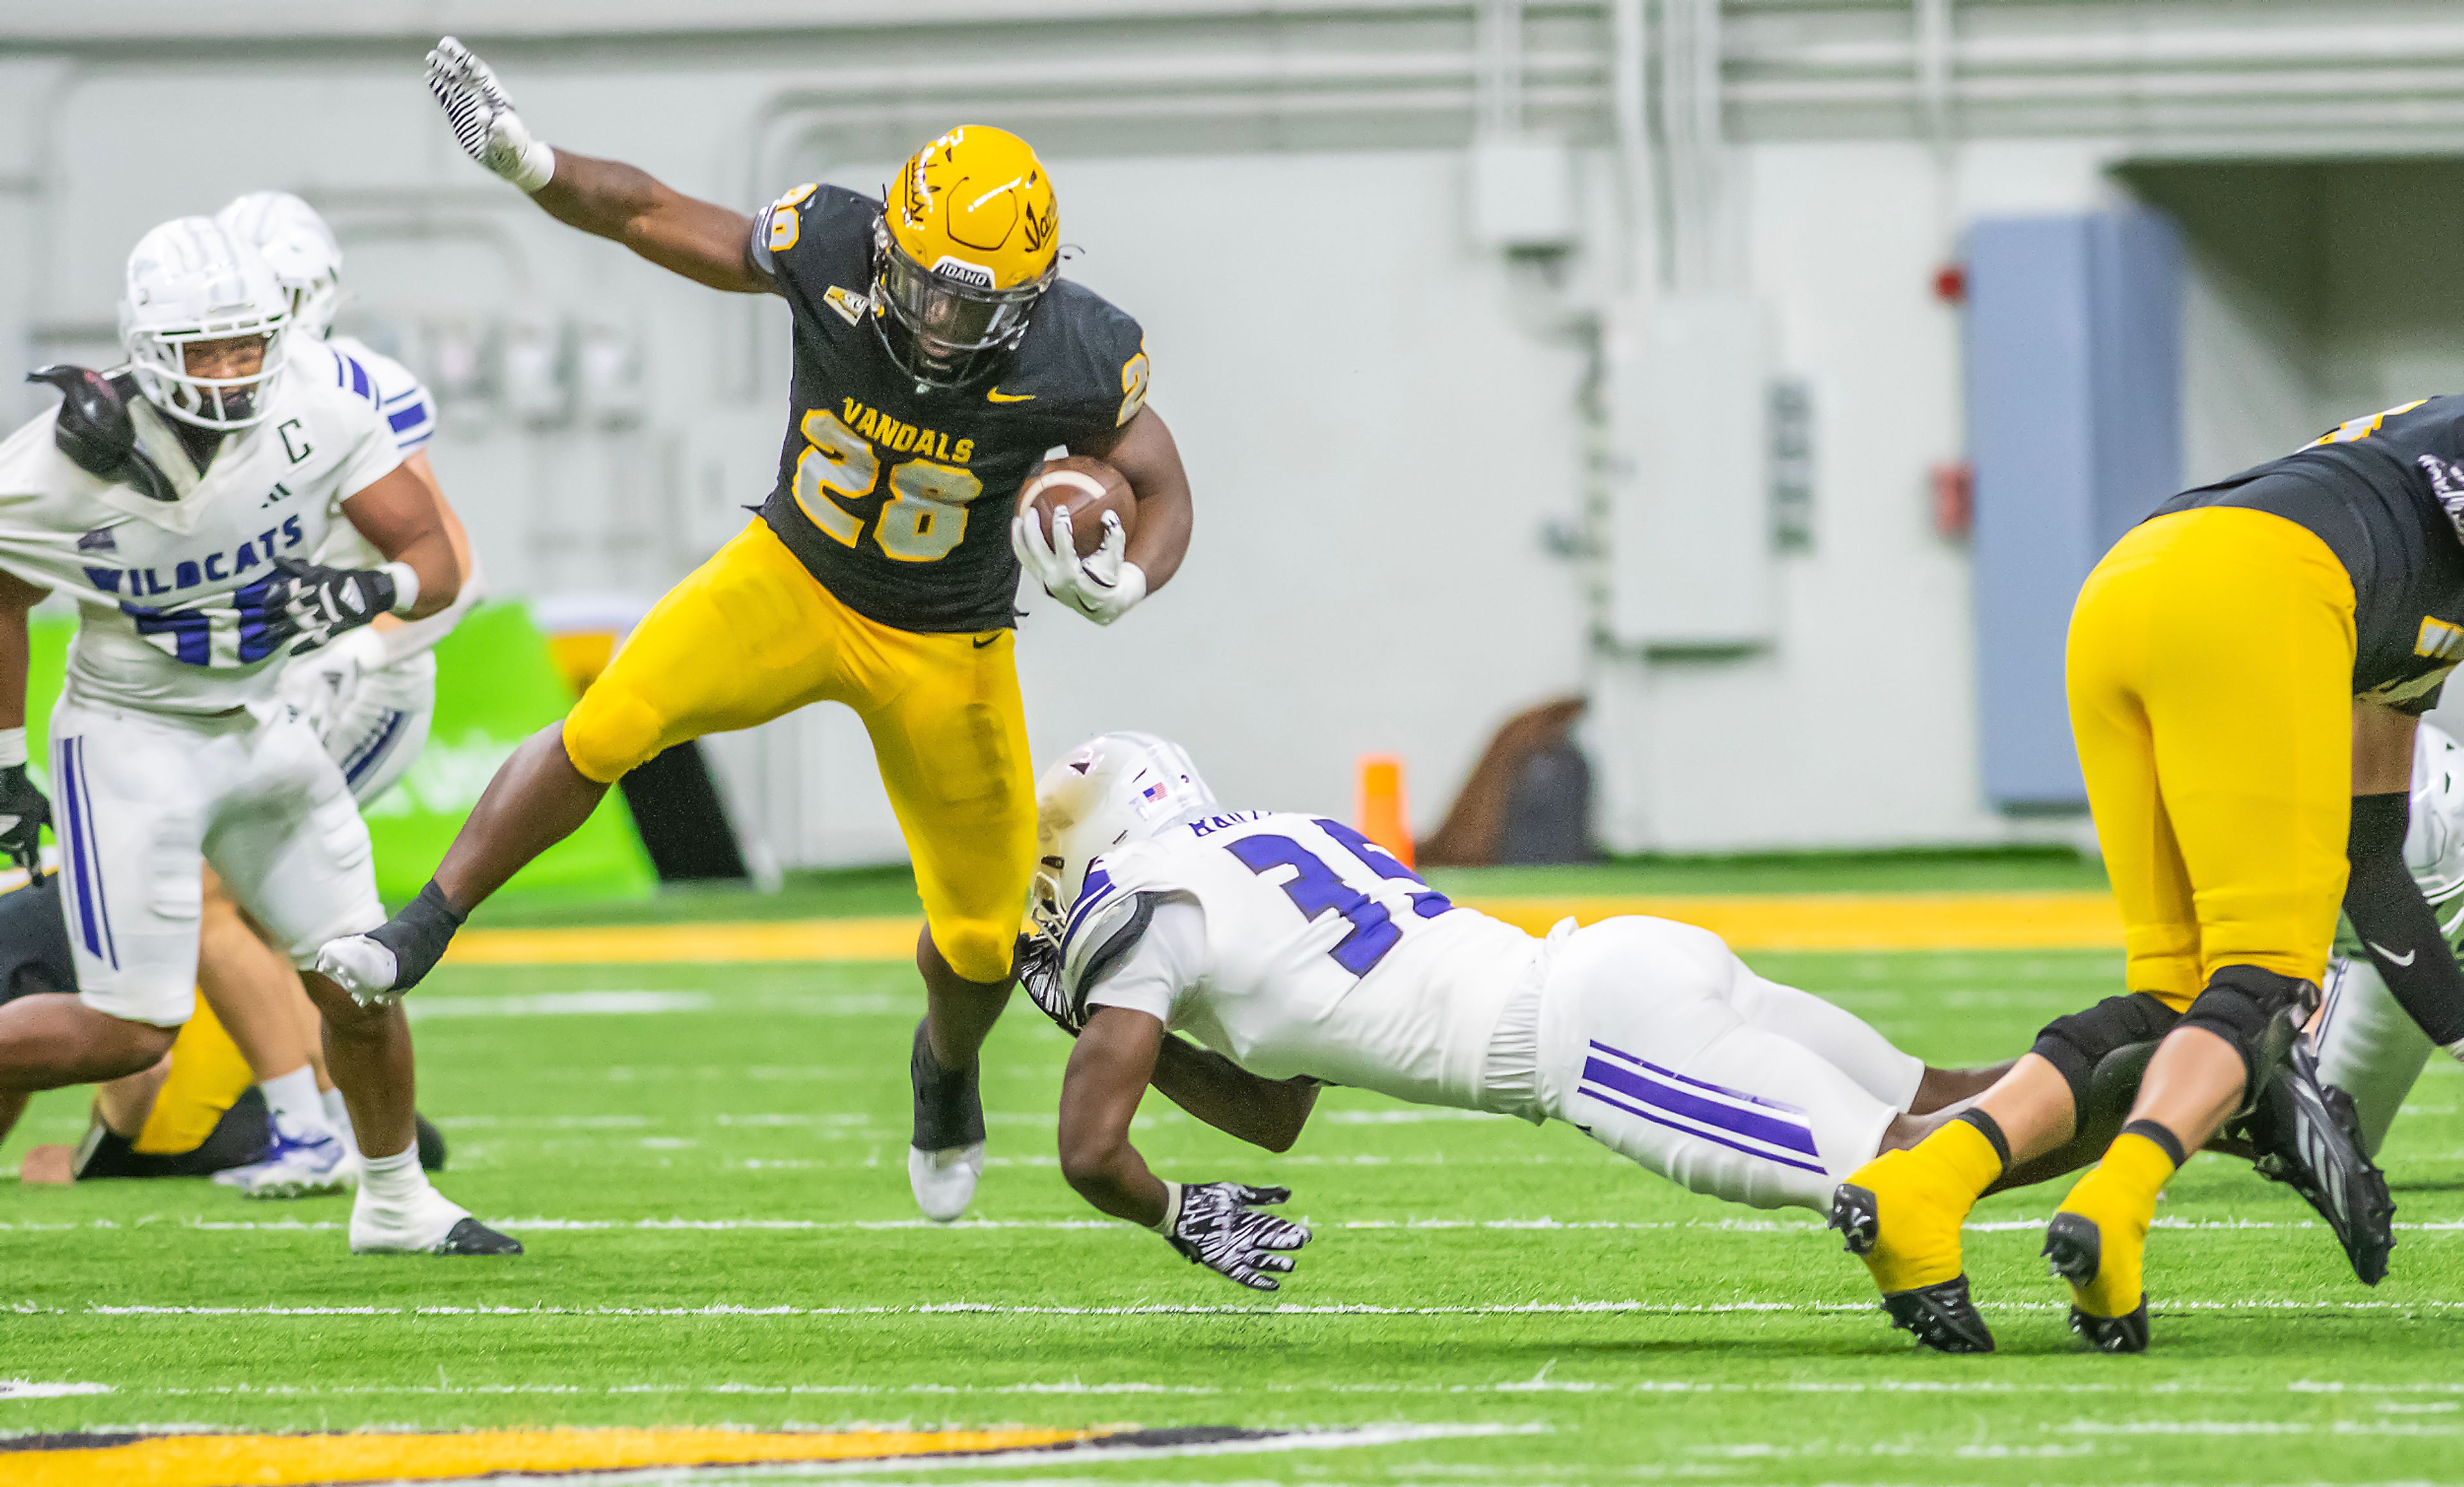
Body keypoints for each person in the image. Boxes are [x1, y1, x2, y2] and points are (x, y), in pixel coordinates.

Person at [317, 39, 1195, 1223]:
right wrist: (531, 163)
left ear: (1033, 298)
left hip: (948, 640)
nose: (942, 320)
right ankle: (422, 923)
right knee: (611, 721)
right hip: (790, 574)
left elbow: (1164, 484)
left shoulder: (1081, 351)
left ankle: (947, 1069)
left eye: (974, 303)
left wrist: (1129, 580)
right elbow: (647, 212)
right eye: (927, 285)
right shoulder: (825, 242)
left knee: (985, 939)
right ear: (884, 246)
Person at [1832, 400, 2464, 1354]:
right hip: (2263, 586)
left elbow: (2370, 855)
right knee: (2261, 989)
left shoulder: (2415, 591)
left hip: (2134, 581)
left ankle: (1925, 1184)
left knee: (2177, 996)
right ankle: (2118, 1206)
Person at [1011, 733, 2007, 1290]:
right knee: (1955, 1100)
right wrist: (1130, 1033)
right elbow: (1278, 1115)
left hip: (1593, 1035)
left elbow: (1092, 1150)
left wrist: (1172, 1208)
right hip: (1624, 959)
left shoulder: (1141, 904)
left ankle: (2155, 1097)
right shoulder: (1280, 835)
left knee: (1904, 1159)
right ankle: (2150, 1073)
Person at [0, 216, 513, 1255]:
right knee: (135, 1026)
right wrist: (5, 766)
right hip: (131, 737)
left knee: (359, 971)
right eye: (206, 352)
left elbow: (436, 557)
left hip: (264, 723)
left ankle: (396, 1199)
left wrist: (371, 587)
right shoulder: (62, 464)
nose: (233, 374)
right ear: (147, 350)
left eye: (249, 347)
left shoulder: (318, 414)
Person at [184, 190, 482, 1198]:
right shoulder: (206, 402)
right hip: (276, 680)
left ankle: (320, 1129)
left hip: (363, 686)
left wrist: (357, 649)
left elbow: (453, 572)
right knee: (248, 900)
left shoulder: (359, 388)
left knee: (233, 891)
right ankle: (328, 1119)